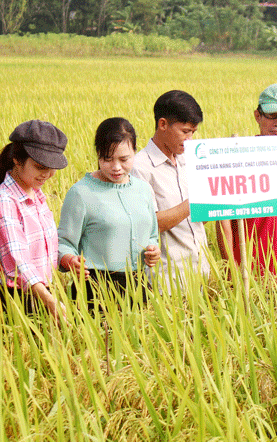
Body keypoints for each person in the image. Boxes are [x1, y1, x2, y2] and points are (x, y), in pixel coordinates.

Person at [58, 118, 160, 308]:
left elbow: (152, 235)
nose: (116, 167)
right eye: (107, 158)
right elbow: (62, 243)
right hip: (95, 289)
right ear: (98, 154)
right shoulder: (81, 193)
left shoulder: (143, 190)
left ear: (135, 153)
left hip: (138, 285)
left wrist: (153, 250)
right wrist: (70, 259)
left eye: (124, 159)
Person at [217, 84, 277, 274]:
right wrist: (232, 269)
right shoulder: (239, 156)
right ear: (257, 115)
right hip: (249, 269)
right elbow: (224, 221)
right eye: (272, 115)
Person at [131, 90, 210, 289]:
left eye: (193, 132)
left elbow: (199, 219)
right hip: (167, 281)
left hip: (201, 274)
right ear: (163, 124)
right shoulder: (140, 168)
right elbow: (148, 224)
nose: (190, 139)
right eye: (185, 131)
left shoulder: (190, 160)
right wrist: (194, 202)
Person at [0, 120, 68, 323]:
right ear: (17, 160)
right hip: (18, 297)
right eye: (40, 167)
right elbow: (18, 259)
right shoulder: (5, 200)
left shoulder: (37, 195)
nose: (47, 174)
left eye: (52, 167)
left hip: (41, 291)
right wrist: (48, 299)